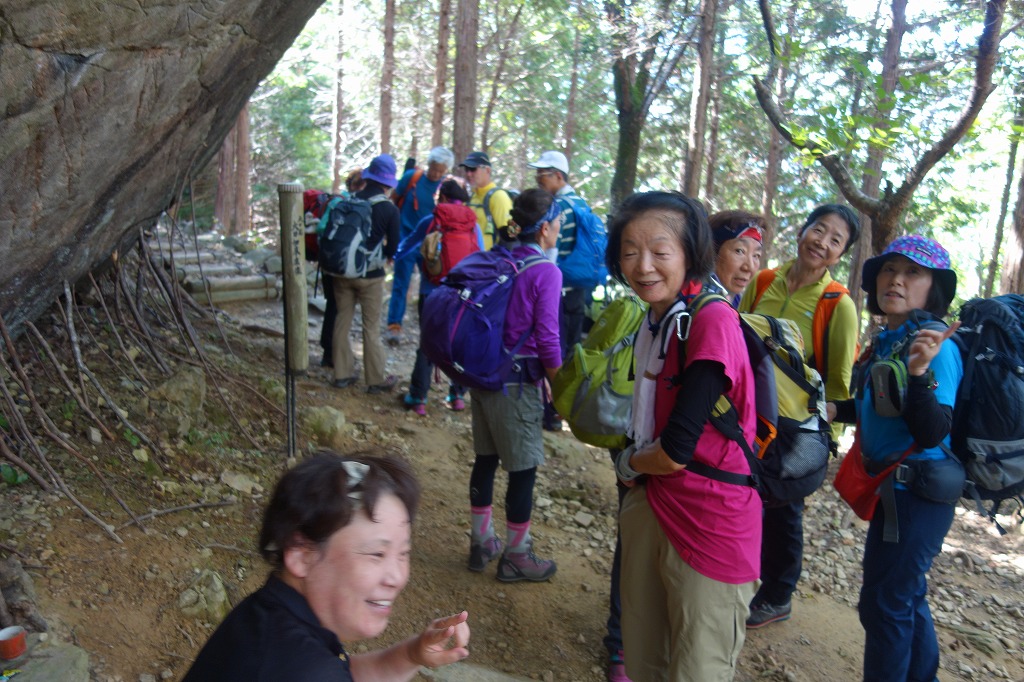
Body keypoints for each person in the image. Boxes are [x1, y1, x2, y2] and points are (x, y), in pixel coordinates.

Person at [607, 191, 760, 681]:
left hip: (709, 521)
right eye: (630, 252)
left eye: (659, 251)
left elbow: (676, 450)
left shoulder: (710, 319)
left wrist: (627, 465)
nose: (643, 266)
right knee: (645, 659)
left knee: (698, 668)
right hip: (653, 503)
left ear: (692, 252)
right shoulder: (657, 317)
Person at [182, 450, 471, 681]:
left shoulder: (268, 620)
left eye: (403, 553)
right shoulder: (300, 668)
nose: (397, 577)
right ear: (301, 554)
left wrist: (410, 655)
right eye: (376, 554)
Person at [828, 235, 962, 682]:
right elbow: (879, 405)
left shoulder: (937, 345)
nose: (896, 280)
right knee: (902, 597)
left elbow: (933, 430)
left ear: (934, 287)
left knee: (885, 605)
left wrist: (921, 372)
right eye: (889, 269)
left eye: (912, 273)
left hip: (917, 494)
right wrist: (835, 409)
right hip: (894, 490)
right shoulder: (889, 341)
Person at [737, 203, 861, 628]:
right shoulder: (764, 280)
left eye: (835, 240)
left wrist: (826, 441)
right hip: (749, 413)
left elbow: (839, 380)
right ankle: (743, 579)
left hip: (796, 426)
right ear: (802, 230)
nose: (822, 242)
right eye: (818, 230)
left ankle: (778, 595)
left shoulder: (837, 304)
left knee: (784, 509)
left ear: (840, 254)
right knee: (745, 495)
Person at [466, 188, 562, 582]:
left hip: (482, 373)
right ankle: (517, 555)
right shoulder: (545, 271)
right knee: (523, 470)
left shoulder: (496, 258)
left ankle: (481, 541)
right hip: (517, 382)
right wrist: (560, 387)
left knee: (486, 460)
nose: (559, 229)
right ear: (544, 229)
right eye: (558, 223)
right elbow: (549, 338)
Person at [395, 178, 485, 415]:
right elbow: (481, 256)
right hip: (463, 294)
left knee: (428, 344)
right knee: (459, 343)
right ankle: (457, 396)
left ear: (442, 197)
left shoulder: (430, 221)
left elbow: (406, 246)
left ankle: (418, 398)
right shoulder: (472, 225)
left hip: (432, 293)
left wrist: (395, 256)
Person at [528, 150, 601, 432]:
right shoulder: (580, 203)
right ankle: (562, 411)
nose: (538, 179)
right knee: (569, 350)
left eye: (543, 174)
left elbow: (551, 254)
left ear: (558, 176)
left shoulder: (560, 208)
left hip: (558, 290)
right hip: (576, 289)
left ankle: (552, 412)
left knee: (553, 351)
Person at [330, 154, 400, 394]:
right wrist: (386, 256)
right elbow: (393, 247)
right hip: (371, 275)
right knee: (370, 327)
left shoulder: (349, 201)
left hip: (342, 272)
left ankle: (341, 374)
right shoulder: (389, 209)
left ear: (368, 177)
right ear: (388, 183)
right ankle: (375, 380)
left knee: (342, 320)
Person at [386, 147, 455, 346]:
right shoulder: (412, 178)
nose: (436, 173)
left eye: (441, 170)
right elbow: (394, 200)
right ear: (429, 164)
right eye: (434, 168)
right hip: (406, 240)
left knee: (430, 287)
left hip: (431, 246)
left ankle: (429, 329)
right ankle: (394, 325)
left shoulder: (445, 187)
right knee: (401, 283)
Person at [319, 169, 365, 368]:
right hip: (347, 265)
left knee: (333, 306)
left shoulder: (336, 202)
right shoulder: (359, 205)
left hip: (328, 262)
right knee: (340, 308)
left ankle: (328, 351)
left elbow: (321, 228)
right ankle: (333, 353)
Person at [708, 210, 764, 307]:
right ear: (712, 252)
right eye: (739, 251)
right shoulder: (696, 300)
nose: (749, 267)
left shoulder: (735, 300)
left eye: (756, 255)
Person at [460, 151, 513, 250]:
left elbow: (511, 235)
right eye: (466, 169)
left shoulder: (499, 196)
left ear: (488, 170)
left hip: (489, 258)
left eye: (473, 169)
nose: (468, 174)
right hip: (469, 257)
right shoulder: (471, 198)